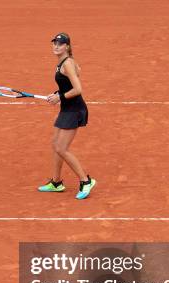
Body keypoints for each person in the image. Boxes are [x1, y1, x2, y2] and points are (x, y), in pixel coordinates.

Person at [38, 33, 96, 199]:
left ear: (67, 47)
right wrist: (58, 93)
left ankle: (86, 181)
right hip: (67, 108)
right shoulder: (64, 63)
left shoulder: (67, 63)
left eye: (60, 44)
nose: (56, 46)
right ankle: (56, 183)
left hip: (74, 110)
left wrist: (60, 97)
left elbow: (78, 89)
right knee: (55, 143)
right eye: (54, 43)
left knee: (61, 148)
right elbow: (71, 81)